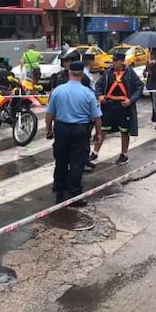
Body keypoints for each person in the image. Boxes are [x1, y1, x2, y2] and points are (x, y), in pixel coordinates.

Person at [45, 61, 103, 205]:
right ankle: (74, 194)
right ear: (82, 73)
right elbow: (97, 117)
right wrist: (98, 133)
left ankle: (59, 187)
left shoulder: (58, 91)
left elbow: (49, 114)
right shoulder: (88, 93)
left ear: (69, 72)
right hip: (80, 130)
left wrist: (48, 129)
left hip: (61, 128)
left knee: (61, 159)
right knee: (77, 162)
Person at [92, 51, 143, 164]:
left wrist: (131, 100)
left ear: (122, 61)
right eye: (113, 60)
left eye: (116, 61)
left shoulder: (130, 73)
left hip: (123, 106)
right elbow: (98, 85)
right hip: (108, 104)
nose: (113, 63)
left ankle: (124, 154)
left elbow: (139, 87)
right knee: (102, 129)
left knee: (124, 131)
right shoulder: (108, 72)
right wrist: (99, 96)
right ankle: (94, 153)